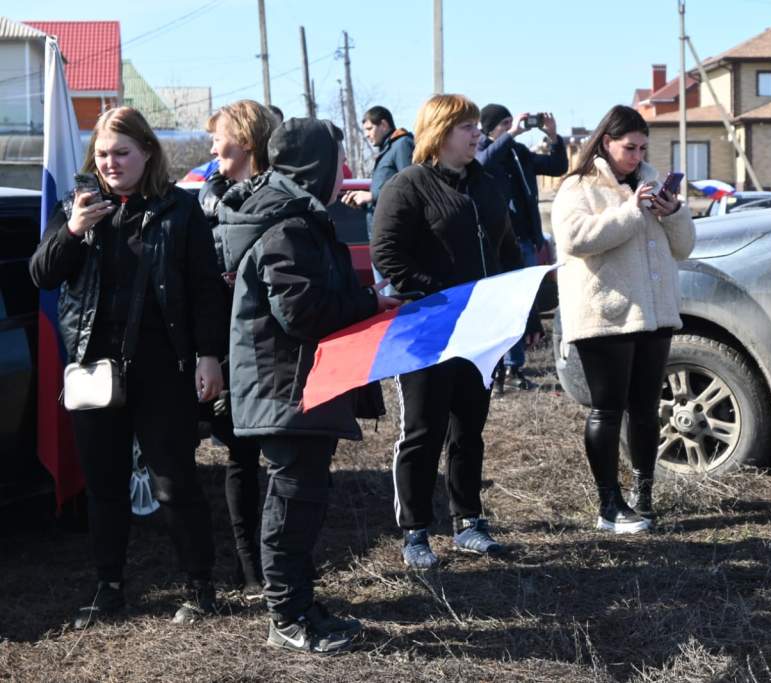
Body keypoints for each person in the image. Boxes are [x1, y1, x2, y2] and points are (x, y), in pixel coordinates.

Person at [29, 107, 227, 628]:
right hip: (94, 372)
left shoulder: (178, 210)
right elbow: (42, 275)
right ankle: (109, 588)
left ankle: (200, 586)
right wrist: (72, 231)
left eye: (122, 153)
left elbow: (206, 288)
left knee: (172, 484)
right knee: (105, 485)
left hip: (163, 369)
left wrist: (209, 355)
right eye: (102, 154)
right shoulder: (80, 205)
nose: (111, 163)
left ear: (147, 152)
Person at [219, 116, 399, 654]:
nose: (344, 179)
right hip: (285, 386)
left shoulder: (297, 217)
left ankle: (298, 603)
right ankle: (287, 616)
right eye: (337, 168)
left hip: (297, 385)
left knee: (303, 499)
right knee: (293, 501)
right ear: (316, 168)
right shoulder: (288, 225)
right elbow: (301, 311)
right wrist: (370, 303)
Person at [372, 94, 539, 570]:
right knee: (423, 430)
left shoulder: (486, 184)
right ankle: (416, 530)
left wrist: (520, 313)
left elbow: (508, 252)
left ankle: (468, 521)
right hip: (427, 329)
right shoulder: (409, 186)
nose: (477, 135)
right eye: (467, 127)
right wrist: (443, 295)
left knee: (469, 428)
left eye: (475, 127)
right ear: (440, 132)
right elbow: (388, 257)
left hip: (480, 331)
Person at [550, 105, 695, 533]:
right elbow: (574, 239)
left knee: (647, 409)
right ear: (606, 143)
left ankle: (643, 495)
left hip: (654, 313)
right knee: (608, 409)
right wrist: (632, 210)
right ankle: (608, 504)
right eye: (628, 147)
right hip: (605, 315)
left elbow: (683, 247)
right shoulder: (578, 186)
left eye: (642, 147)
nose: (636, 155)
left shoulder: (650, 182)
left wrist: (674, 212)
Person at [200, 99, 278, 600]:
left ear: (246, 141)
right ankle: (250, 568)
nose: (211, 147)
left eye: (218, 137)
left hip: (272, 349)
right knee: (240, 459)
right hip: (226, 351)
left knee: (290, 464)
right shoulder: (205, 204)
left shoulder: (278, 199)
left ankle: (283, 561)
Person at [476, 105, 567, 393]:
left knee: (520, 306)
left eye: (511, 123)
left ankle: (514, 367)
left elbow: (557, 167)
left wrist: (553, 137)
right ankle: (496, 367)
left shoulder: (518, 152)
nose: (513, 127)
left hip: (525, 240)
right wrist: (511, 133)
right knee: (499, 307)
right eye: (505, 123)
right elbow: (483, 162)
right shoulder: (480, 149)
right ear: (490, 127)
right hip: (496, 242)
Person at [341, 105, 415, 240]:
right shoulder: (387, 151)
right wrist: (364, 202)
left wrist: (371, 196)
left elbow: (411, 187)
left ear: (384, 125)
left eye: (369, 129)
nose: (366, 135)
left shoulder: (402, 144)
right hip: (382, 233)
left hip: (397, 235)